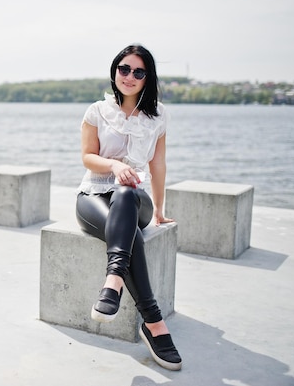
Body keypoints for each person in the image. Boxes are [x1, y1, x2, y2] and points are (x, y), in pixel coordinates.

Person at [75, 44, 182, 371]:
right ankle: (154, 323)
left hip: (136, 200)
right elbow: (87, 157)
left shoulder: (159, 115)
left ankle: (113, 281)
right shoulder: (97, 110)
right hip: (93, 196)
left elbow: (159, 164)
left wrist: (160, 209)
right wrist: (113, 166)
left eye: (139, 71)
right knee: (127, 227)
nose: (130, 76)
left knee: (126, 194)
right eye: (124, 69)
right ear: (114, 71)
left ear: (147, 77)